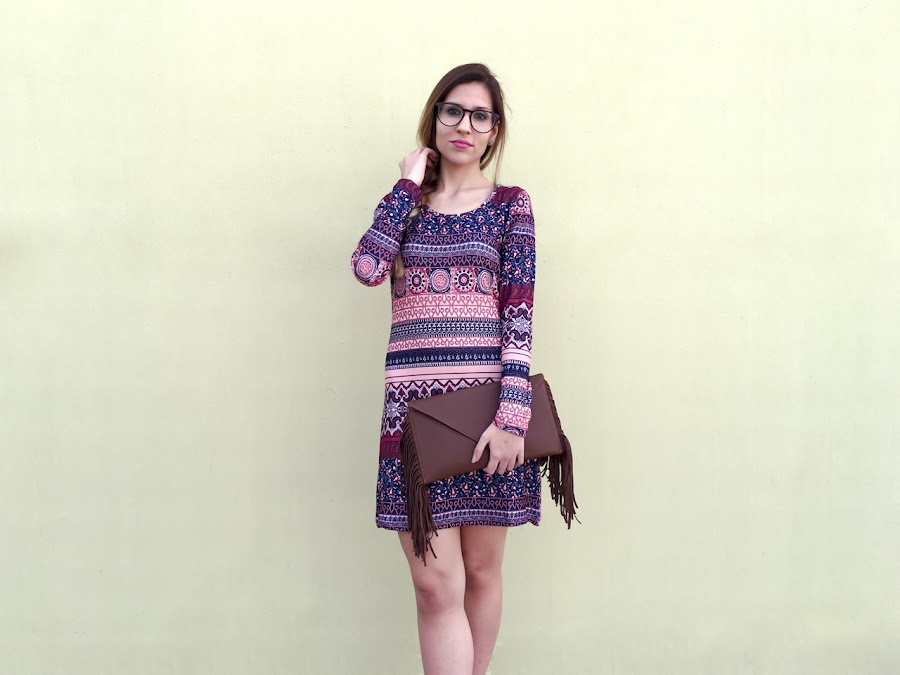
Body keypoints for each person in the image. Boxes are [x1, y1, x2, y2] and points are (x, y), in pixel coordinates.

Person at [350, 63, 538, 675]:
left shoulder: (510, 207)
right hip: (412, 420)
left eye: (480, 116)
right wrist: (407, 186)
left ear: (494, 131)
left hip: (486, 418)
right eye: (453, 111)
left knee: (480, 572)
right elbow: (366, 268)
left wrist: (512, 418)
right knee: (435, 587)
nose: (465, 125)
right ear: (434, 118)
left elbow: (518, 315)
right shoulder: (406, 208)